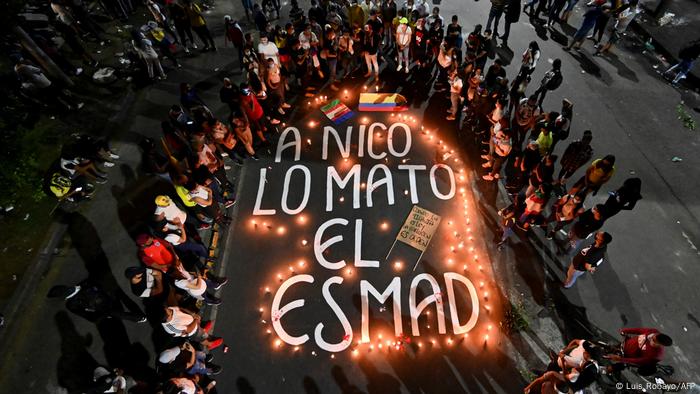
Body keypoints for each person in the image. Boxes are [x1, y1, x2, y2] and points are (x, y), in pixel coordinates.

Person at [47, 280, 147, 323]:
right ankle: (138, 318)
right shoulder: (73, 302)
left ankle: (138, 318)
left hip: (108, 303)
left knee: (115, 312)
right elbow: (88, 315)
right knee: (115, 312)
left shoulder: (72, 303)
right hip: (108, 306)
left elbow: (88, 316)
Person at [605, 328, 673, 373]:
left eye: (653, 340)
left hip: (628, 357)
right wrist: (626, 330)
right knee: (611, 348)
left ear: (660, 345)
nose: (650, 338)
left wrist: (621, 359)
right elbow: (639, 330)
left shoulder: (656, 355)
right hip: (626, 344)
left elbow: (637, 361)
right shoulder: (654, 332)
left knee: (610, 369)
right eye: (652, 336)